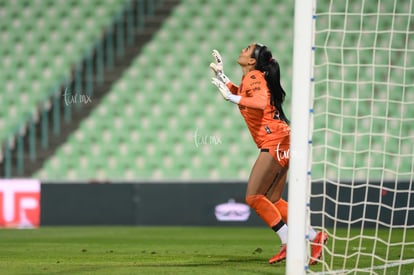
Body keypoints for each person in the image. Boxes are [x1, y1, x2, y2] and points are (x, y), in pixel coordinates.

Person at [210, 43, 328, 265]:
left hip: (274, 140)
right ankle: (315, 236)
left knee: (253, 196)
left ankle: (288, 242)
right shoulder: (250, 78)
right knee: (273, 198)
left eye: (247, 49)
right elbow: (244, 96)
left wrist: (230, 97)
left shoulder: (254, 76)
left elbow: (259, 102)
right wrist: (223, 77)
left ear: (253, 61)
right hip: (283, 138)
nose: (242, 50)